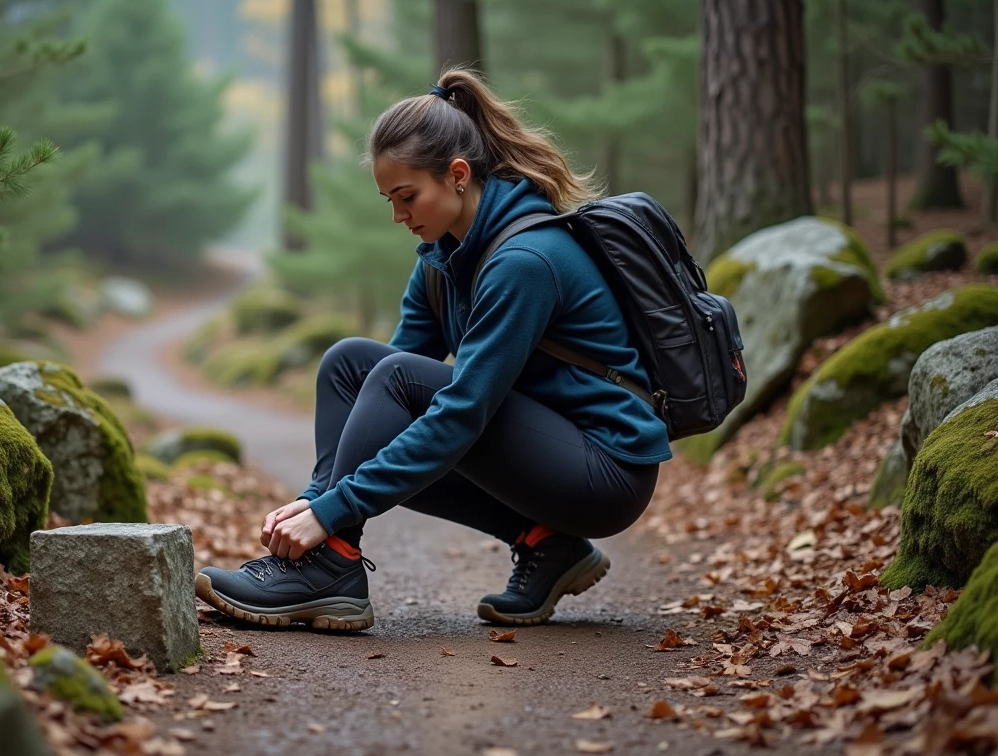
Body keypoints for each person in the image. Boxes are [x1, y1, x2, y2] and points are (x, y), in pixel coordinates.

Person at [194, 68, 671, 630]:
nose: (398, 216)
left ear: (458, 175)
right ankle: (547, 545)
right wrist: (316, 499)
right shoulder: (443, 261)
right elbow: (377, 397)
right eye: (388, 200)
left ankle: (331, 565)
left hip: (606, 472)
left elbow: (459, 408)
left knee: (404, 390)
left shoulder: (525, 262)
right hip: (549, 450)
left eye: (406, 196)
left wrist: (332, 512)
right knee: (349, 364)